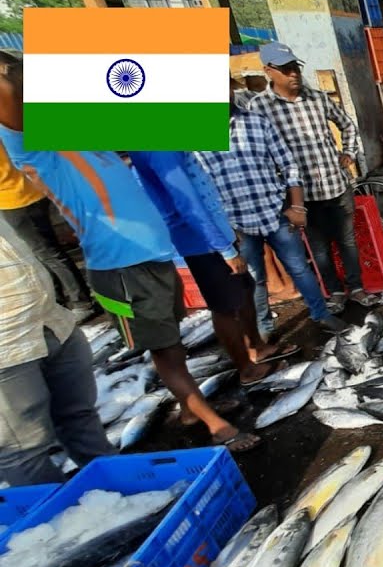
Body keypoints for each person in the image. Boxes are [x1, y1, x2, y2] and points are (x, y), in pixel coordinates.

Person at [0, 51, 259, 452]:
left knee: (173, 339)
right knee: (166, 349)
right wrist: (24, 66)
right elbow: (10, 89)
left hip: (154, 254)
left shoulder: (85, 134)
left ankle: (191, 408)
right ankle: (213, 424)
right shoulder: (36, 151)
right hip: (119, 266)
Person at [129, 150, 298, 386]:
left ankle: (256, 346)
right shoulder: (159, 147)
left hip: (214, 232)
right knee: (225, 306)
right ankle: (246, 369)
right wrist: (225, 249)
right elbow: (188, 203)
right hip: (202, 241)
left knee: (245, 288)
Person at [197, 82, 350, 339]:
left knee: (300, 268)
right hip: (237, 223)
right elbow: (201, 189)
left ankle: (321, 314)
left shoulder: (257, 122)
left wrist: (297, 205)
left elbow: (288, 164)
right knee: (254, 278)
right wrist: (225, 229)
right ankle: (264, 329)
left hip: (275, 212)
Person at [249, 42, 375, 312]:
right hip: (301, 194)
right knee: (318, 248)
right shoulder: (259, 108)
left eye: (295, 67)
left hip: (336, 184)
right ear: (268, 71)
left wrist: (349, 153)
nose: (294, 74)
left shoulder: (317, 98)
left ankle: (356, 288)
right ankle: (335, 292)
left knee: (347, 241)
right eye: (286, 69)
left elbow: (347, 125)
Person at [0, 219, 115, 486]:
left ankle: (120, 493)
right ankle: (60, 522)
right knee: (25, 450)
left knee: (80, 416)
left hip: (51, 321)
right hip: (7, 348)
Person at [0, 146, 94, 320]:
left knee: (47, 253)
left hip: (16, 200)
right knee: (42, 253)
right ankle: (59, 300)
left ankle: (81, 301)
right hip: (30, 190)